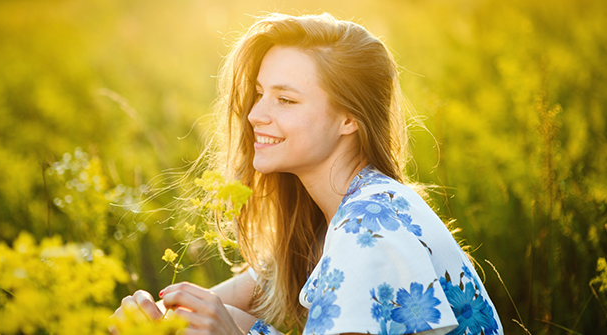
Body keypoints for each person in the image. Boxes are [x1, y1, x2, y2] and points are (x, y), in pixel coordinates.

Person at [111, 13, 503, 335]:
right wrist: (151, 318)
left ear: (350, 118)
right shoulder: (330, 221)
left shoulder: (367, 228)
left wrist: (237, 333)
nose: (255, 114)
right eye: (260, 93)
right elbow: (215, 300)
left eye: (285, 99)